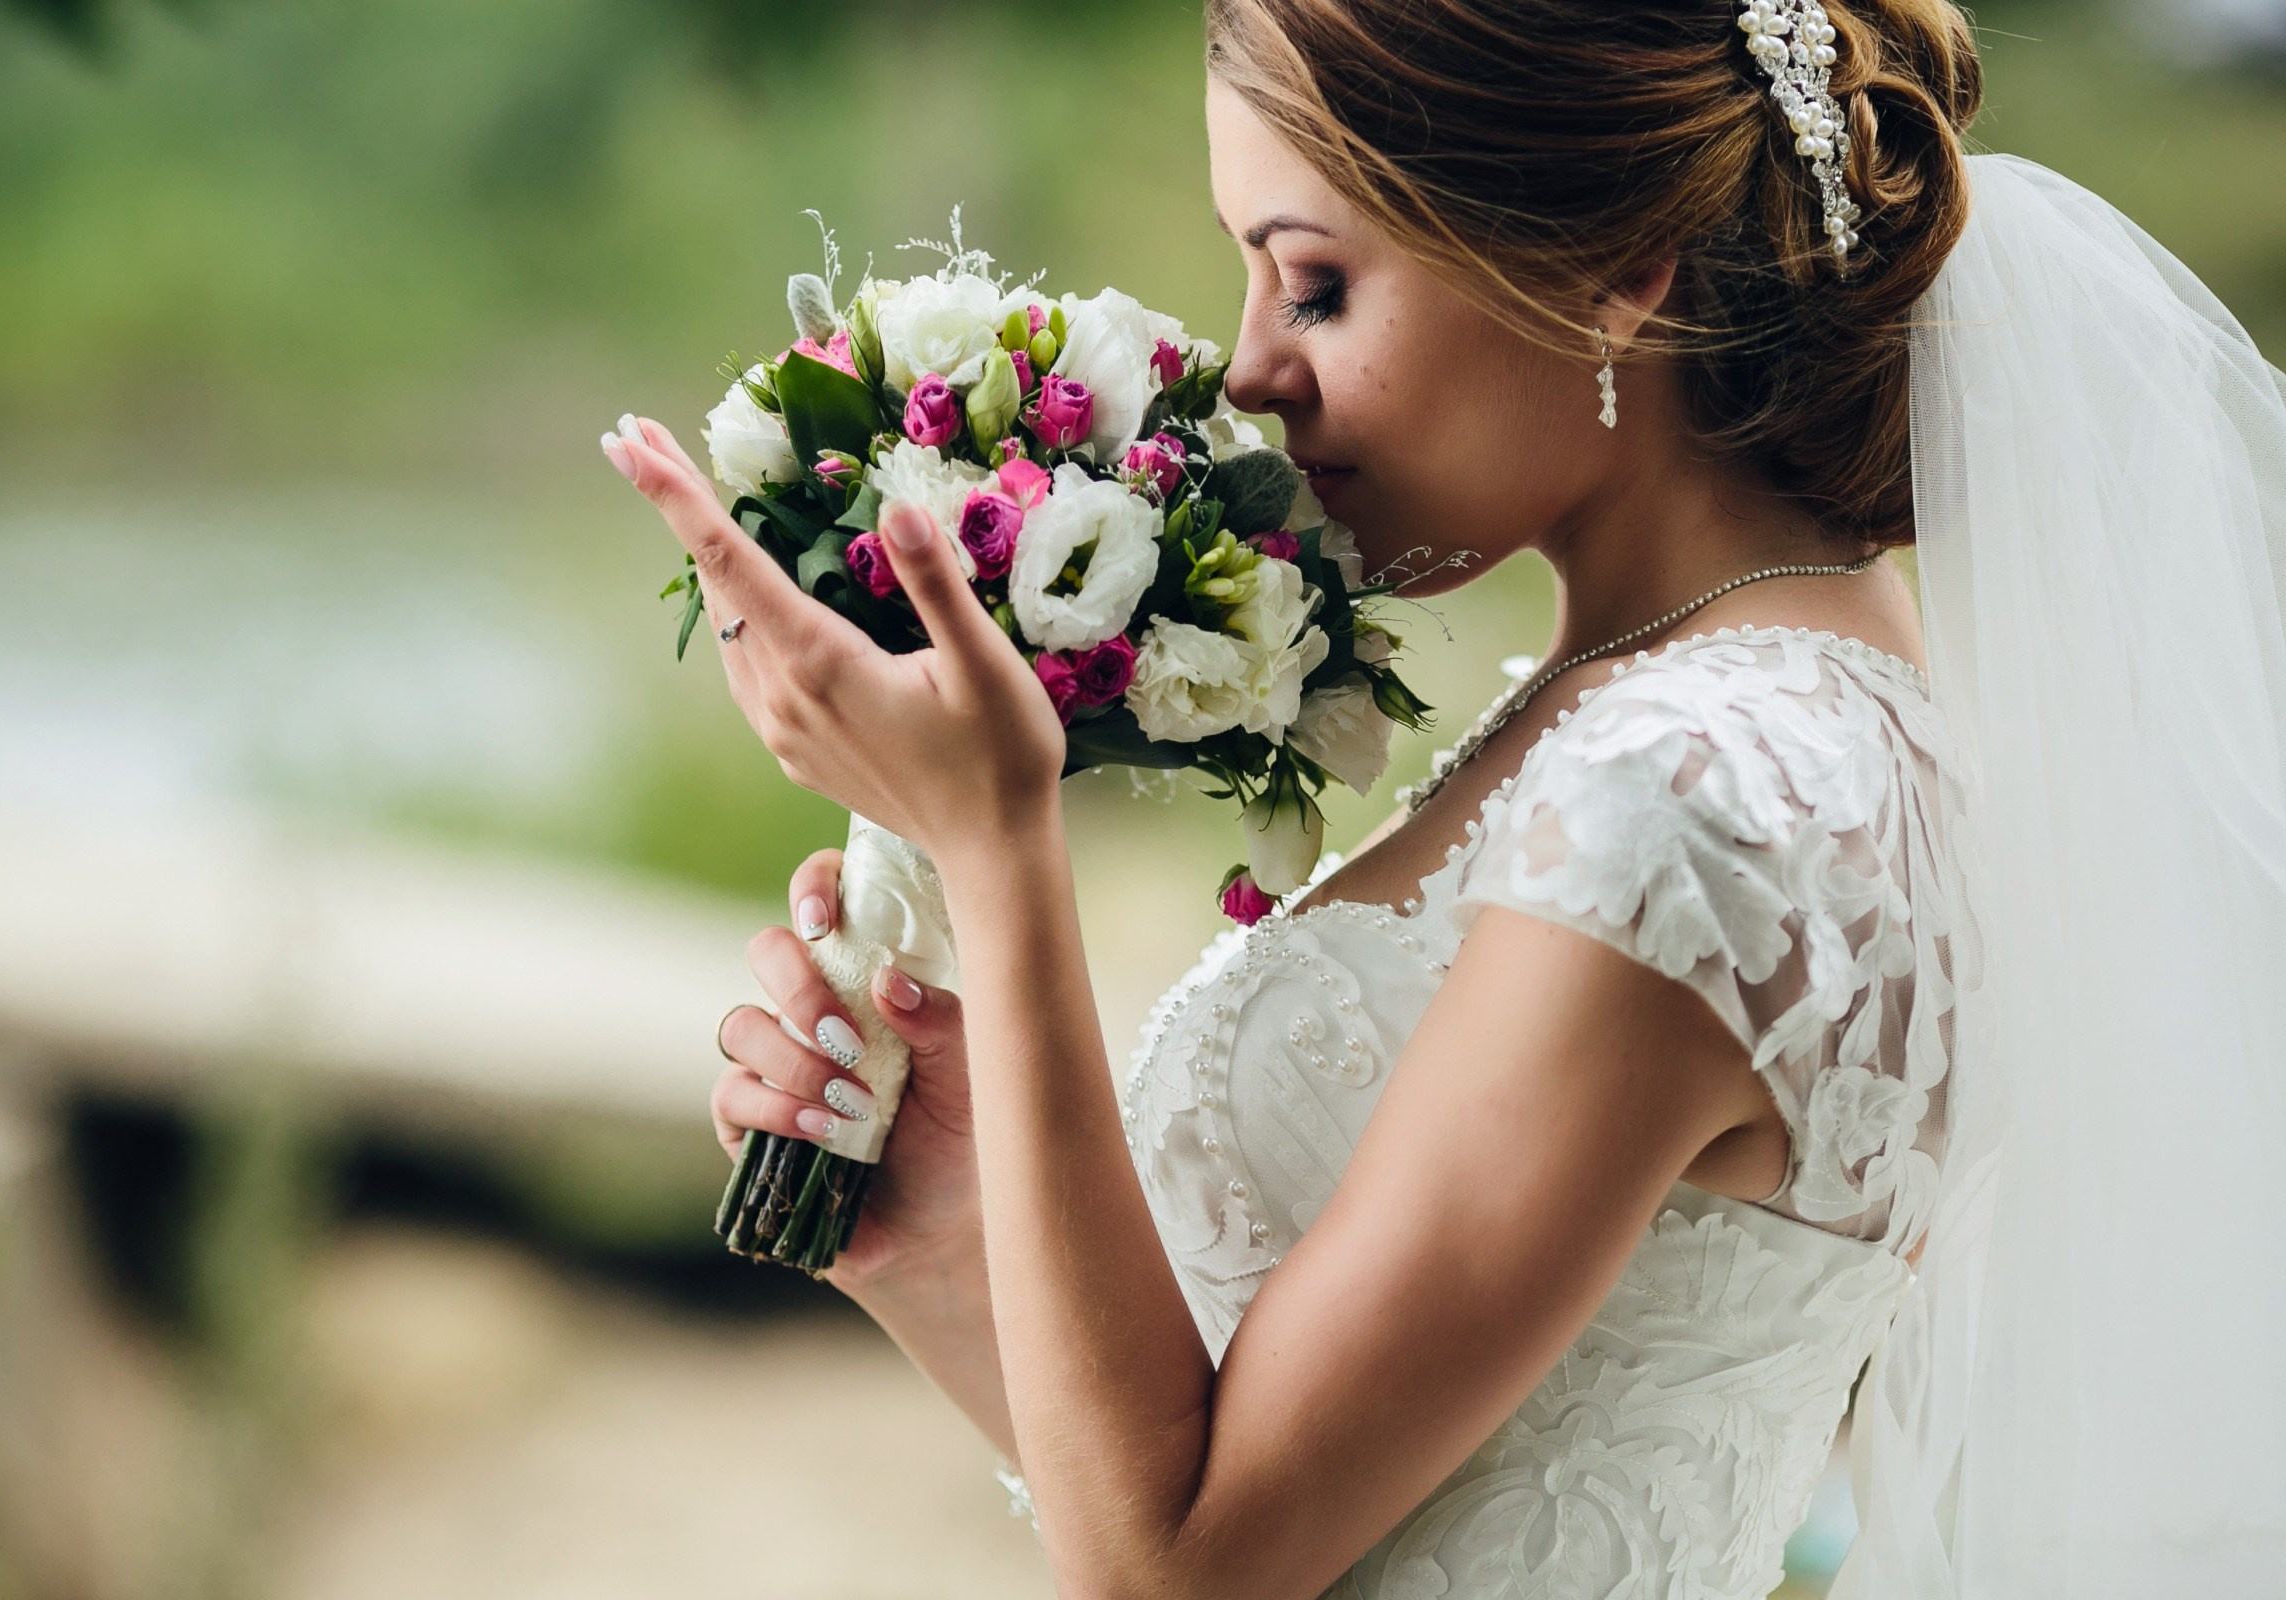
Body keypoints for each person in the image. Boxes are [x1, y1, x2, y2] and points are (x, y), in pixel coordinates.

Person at [598, 2, 2286, 1594]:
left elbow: (1183, 1568)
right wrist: (957, 1244)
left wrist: (999, 848)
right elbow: (1293, 1497)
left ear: (1620, 273)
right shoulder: (1751, 722)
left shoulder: (1703, 798)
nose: (1254, 371)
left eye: (1316, 284)